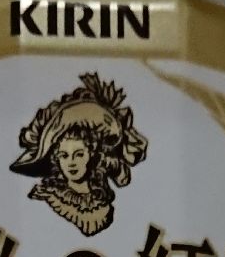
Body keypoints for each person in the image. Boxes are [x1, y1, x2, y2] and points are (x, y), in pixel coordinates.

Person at [10, 73, 148, 237]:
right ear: (56, 159)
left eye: (79, 154)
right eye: (64, 155)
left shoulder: (102, 203)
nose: (71, 162)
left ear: (93, 155)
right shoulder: (46, 196)